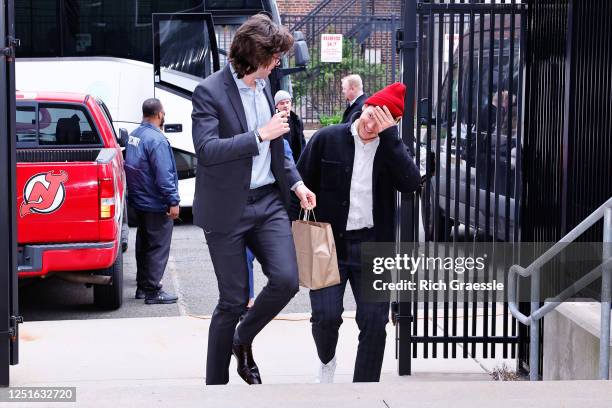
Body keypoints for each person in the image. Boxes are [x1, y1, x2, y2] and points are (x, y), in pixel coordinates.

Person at [191, 13, 316, 386]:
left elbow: (279, 151)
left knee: (287, 279)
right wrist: (259, 135)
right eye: (274, 57)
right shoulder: (209, 91)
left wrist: (296, 184)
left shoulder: (264, 86)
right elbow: (207, 149)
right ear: (255, 56)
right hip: (226, 209)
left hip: (268, 203)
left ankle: (241, 340)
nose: (278, 64)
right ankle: (216, 386)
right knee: (232, 300)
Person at [296, 83, 421, 383]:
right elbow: (297, 183)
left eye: (379, 121)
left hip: (373, 246)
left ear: (390, 123)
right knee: (325, 317)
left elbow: (411, 183)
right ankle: (327, 360)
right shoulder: (328, 138)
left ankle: (364, 389)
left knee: (375, 322)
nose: (369, 124)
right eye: (369, 114)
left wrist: (391, 138)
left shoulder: (392, 150)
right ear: (363, 107)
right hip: (326, 243)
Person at [124, 98, 179, 305]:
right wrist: (172, 201)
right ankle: (153, 290)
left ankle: (142, 286)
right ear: (160, 114)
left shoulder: (135, 136)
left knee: (144, 244)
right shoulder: (156, 140)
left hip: (139, 200)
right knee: (158, 246)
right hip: (156, 202)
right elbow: (164, 174)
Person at [274, 90, 306, 163]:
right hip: (283, 161)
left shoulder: (297, 121)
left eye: (287, 102)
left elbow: (302, 142)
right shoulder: (275, 122)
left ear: (291, 104)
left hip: (297, 160)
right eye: (282, 103)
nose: (285, 105)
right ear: (276, 106)